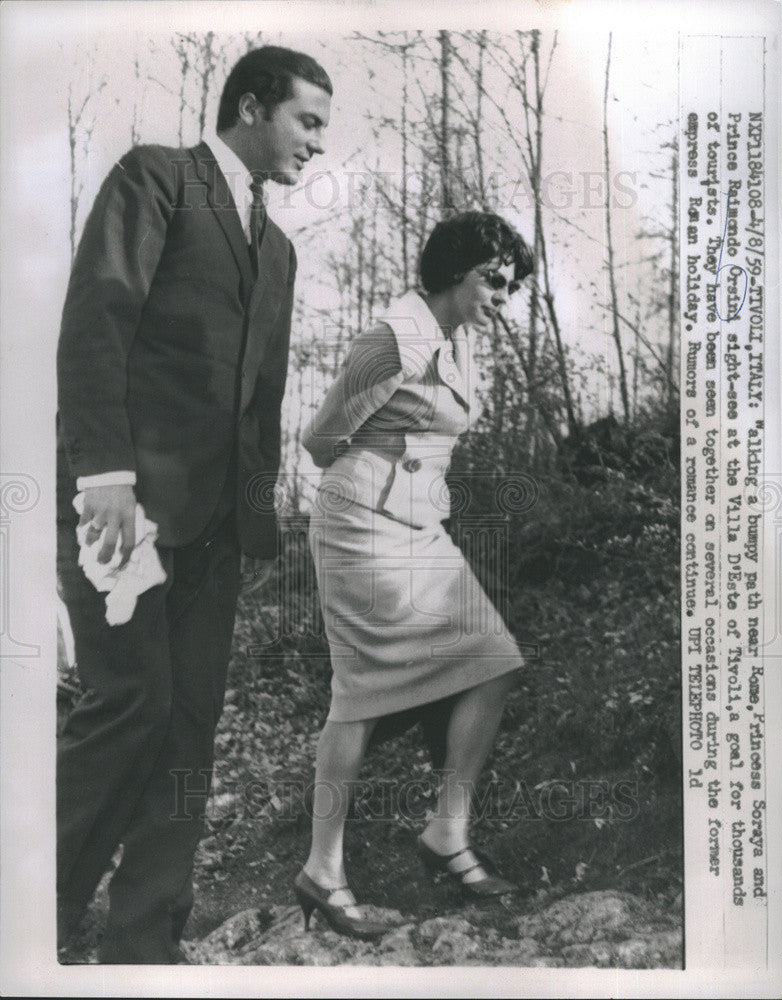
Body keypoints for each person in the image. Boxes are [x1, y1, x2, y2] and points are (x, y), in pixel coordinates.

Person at [56, 45, 332, 963]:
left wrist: (260, 521)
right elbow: (99, 316)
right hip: (124, 510)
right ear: (252, 109)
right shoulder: (156, 180)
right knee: (129, 705)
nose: (317, 145)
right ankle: (32, 920)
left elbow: (262, 405)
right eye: (307, 123)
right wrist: (105, 477)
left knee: (188, 728)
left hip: (215, 534)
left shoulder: (279, 252)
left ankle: (141, 947)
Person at [297, 212, 534, 938]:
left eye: (509, 284)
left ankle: (445, 832)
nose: (501, 295)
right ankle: (322, 869)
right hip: (361, 527)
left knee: (491, 661)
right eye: (492, 279)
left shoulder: (456, 345)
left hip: (419, 529)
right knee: (361, 694)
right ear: (453, 270)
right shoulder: (392, 336)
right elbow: (318, 439)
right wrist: (383, 463)